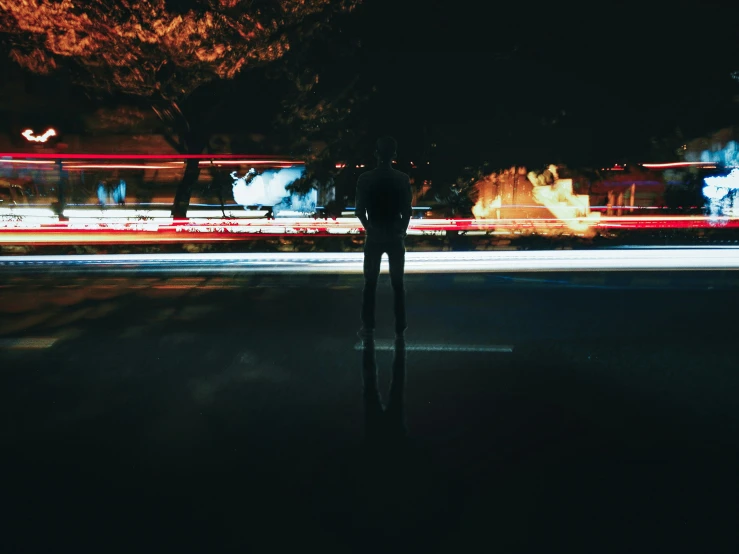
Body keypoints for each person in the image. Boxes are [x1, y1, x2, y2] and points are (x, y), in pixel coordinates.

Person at [355, 136, 412, 341]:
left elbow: (360, 210)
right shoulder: (402, 179)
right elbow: (407, 210)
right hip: (395, 235)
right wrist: (402, 230)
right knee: (398, 283)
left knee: (370, 283)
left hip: (375, 234)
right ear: (394, 155)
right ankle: (400, 326)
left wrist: (369, 227)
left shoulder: (365, 179)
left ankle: (368, 326)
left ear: (376, 154)